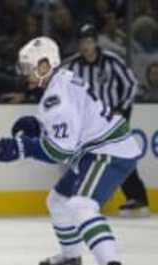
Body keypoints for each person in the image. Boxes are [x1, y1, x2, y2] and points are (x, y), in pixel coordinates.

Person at [0, 36, 141, 265]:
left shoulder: (56, 97)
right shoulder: (62, 80)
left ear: (45, 65)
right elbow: (71, 124)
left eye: (29, 67)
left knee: (81, 205)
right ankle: (71, 257)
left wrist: (22, 147)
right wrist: (38, 126)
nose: (25, 74)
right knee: (58, 200)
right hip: (94, 149)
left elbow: (61, 151)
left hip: (107, 150)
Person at [65, 24, 149, 217]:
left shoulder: (112, 61)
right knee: (85, 158)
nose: (85, 46)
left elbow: (130, 84)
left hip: (110, 120)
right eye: (81, 42)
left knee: (118, 158)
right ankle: (88, 198)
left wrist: (122, 111)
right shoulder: (73, 66)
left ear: (95, 42)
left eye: (88, 41)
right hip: (85, 123)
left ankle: (137, 197)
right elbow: (64, 91)